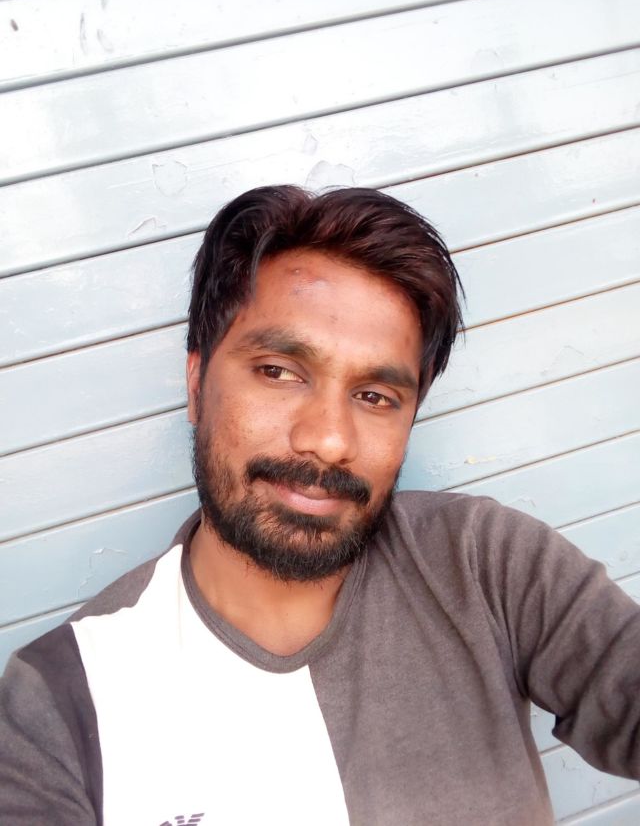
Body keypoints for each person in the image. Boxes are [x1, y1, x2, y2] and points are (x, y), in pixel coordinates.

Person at [0, 186, 638, 826]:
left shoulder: (487, 565)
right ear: (196, 385)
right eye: (279, 371)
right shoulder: (59, 701)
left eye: (375, 396)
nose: (329, 440)